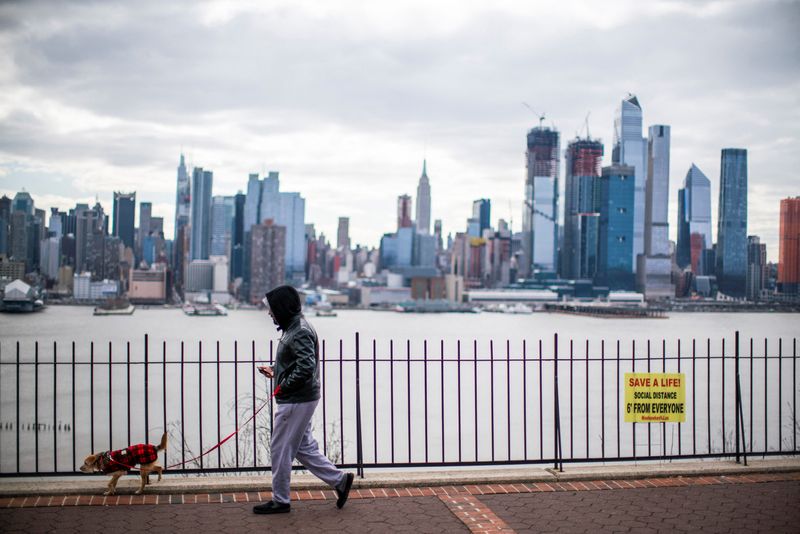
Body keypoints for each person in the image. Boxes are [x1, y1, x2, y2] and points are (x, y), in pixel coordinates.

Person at [253, 285, 354, 515]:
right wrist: (275, 370)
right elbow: (297, 364)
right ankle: (340, 481)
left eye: (272, 309)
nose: (269, 314)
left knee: (279, 448)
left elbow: (306, 367)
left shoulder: (299, 331)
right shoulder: (294, 327)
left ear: (282, 308)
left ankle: (281, 500)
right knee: (303, 447)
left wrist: (282, 385)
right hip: (300, 397)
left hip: (296, 399)